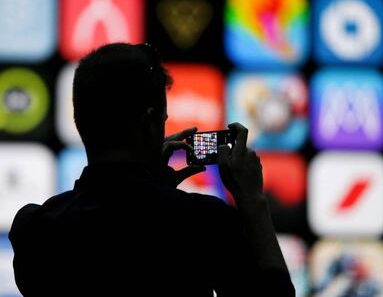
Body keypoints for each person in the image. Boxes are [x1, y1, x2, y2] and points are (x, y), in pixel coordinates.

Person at [9, 43, 295, 296]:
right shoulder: (203, 222)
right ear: (149, 122)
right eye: (163, 119)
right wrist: (252, 201)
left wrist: (151, 187)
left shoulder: (36, 230)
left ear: (79, 120)